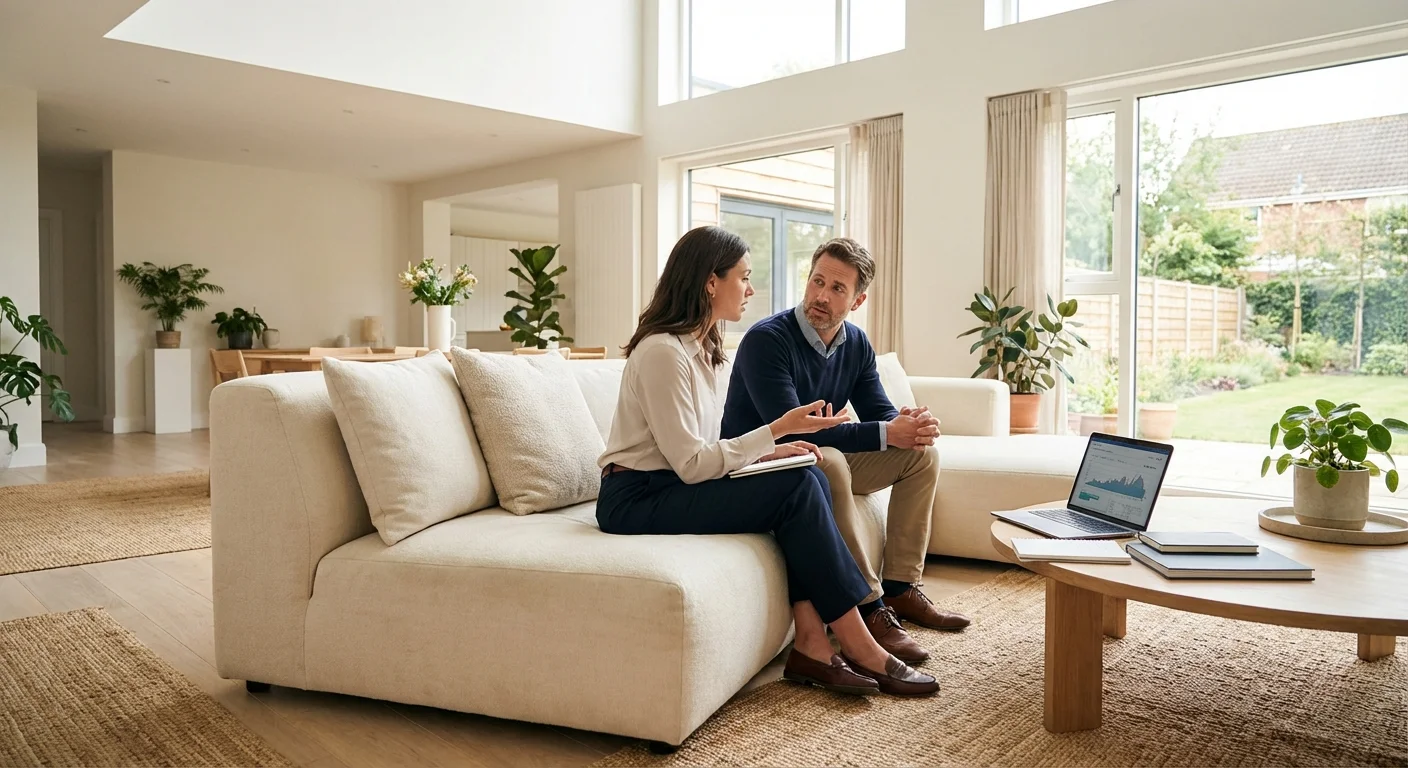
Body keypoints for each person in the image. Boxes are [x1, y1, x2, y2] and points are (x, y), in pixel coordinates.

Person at [597, 226, 938, 698]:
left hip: (670, 482)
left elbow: (702, 447)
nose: (751, 289)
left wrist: (773, 451)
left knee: (803, 476)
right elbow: (692, 465)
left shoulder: (700, 350)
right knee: (799, 489)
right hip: (634, 498)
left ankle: (814, 645)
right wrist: (776, 431)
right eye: (744, 276)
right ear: (710, 283)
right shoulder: (662, 352)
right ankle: (860, 639)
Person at [721, 237, 971, 666]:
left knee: (922, 456)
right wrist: (888, 431)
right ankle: (869, 605)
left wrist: (909, 426)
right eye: (817, 281)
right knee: (828, 458)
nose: (821, 295)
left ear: (858, 300)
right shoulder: (768, 341)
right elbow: (797, 431)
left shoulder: (855, 343)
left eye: (837, 288)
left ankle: (901, 587)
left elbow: (880, 413)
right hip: (765, 466)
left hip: (816, 457)